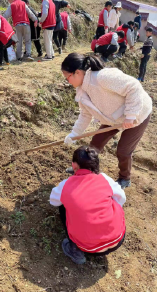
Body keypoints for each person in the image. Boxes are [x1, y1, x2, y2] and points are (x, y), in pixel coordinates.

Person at [62, 53, 152, 189]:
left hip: (137, 114)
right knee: (94, 145)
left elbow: (134, 87)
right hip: (113, 118)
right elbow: (85, 115)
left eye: (67, 77)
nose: (67, 81)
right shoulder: (81, 91)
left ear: (77, 73)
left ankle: (124, 178)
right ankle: (86, 170)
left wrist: (131, 115)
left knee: (123, 150)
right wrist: (74, 134)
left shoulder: (102, 77)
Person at [49, 146, 126, 264]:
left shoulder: (66, 185)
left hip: (89, 248)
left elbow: (53, 201)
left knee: (62, 206)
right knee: (112, 198)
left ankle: (75, 249)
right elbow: (122, 199)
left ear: (74, 166)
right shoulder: (105, 179)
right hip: (117, 239)